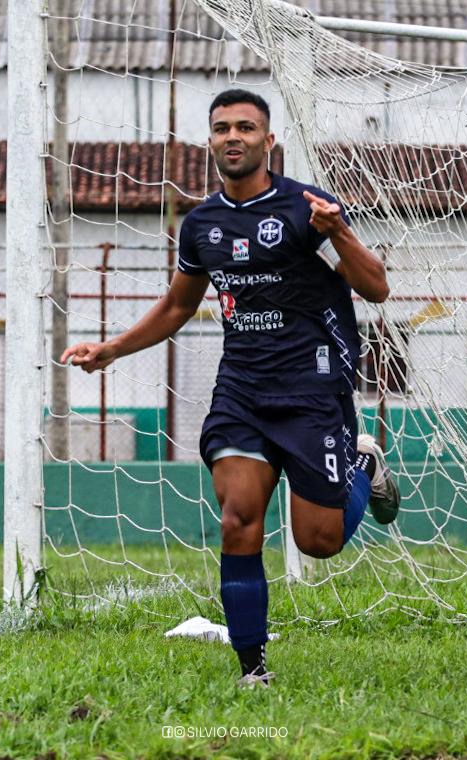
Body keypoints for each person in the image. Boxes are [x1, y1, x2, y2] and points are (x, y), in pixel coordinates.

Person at [62, 88, 399, 686]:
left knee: (317, 542)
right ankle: (253, 670)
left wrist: (340, 232)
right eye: (222, 128)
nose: (233, 136)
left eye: (246, 127)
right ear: (211, 141)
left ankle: (362, 469)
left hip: (311, 390)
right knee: (239, 519)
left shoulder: (308, 208)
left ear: (268, 141)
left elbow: (376, 289)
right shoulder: (201, 225)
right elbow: (176, 307)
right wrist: (110, 349)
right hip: (241, 391)